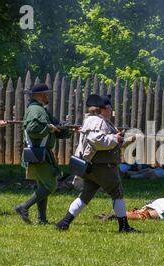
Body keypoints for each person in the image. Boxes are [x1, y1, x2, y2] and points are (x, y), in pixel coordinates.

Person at [55, 94, 139, 233]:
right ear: (104, 108)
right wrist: (115, 138)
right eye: (110, 107)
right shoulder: (96, 121)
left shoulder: (98, 121)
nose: (112, 109)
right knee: (117, 193)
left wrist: (128, 139)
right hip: (102, 166)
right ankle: (124, 227)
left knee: (85, 196)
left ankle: (64, 222)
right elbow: (98, 142)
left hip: (95, 167)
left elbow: (110, 141)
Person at [15, 84, 73, 225]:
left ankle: (42, 219)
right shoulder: (37, 110)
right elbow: (33, 128)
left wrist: (67, 128)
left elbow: (56, 126)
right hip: (39, 151)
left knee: (43, 185)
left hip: (40, 152)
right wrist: (48, 128)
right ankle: (23, 207)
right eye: (46, 94)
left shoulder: (40, 110)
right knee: (49, 186)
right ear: (40, 95)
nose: (48, 96)